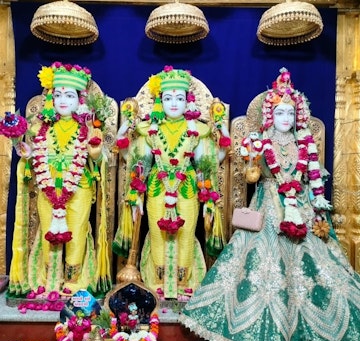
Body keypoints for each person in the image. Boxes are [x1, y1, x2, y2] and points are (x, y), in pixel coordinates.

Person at [179, 68, 360, 341]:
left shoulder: (305, 144)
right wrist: (252, 159)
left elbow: (313, 177)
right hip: (267, 202)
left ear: (297, 116)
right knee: (260, 262)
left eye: (290, 114)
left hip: (300, 204)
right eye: (279, 114)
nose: (285, 120)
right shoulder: (259, 141)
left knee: (312, 261)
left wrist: (315, 202)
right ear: (270, 117)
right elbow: (251, 177)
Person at [113, 65, 230, 300]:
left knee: (185, 234)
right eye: (168, 98)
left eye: (179, 98)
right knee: (158, 234)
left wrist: (222, 129)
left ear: (188, 102)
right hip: (157, 189)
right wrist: (134, 196)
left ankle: (185, 283)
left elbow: (210, 163)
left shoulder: (198, 130)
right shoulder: (149, 130)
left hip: (186, 190)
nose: (174, 103)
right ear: (159, 102)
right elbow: (136, 162)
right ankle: (156, 281)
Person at [6, 62, 112, 297]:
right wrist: (17, 142)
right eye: (59, 94)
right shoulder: (39, 127)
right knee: (48, 234)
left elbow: (96, 157)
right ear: (51, 99)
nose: (63, 100)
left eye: (69, 95)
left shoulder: (87, 127)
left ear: (80, 100)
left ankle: (73, 281)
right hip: (47, 189)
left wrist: (94, 146)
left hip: (79, 188)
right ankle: (48, 279)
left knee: (75, 233)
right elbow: (28, 154)